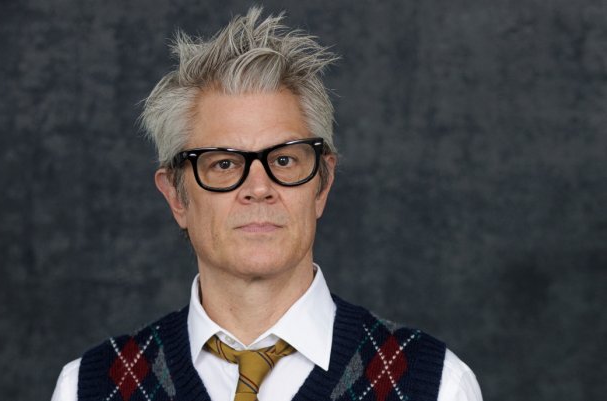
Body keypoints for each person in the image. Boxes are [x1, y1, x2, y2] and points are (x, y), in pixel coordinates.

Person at [51, 7, 482, 401]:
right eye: (223, 164)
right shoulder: (89, 388)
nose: (258, 188)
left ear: (322, 184)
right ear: (176, 196)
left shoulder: (436, 384)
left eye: (284, 160)